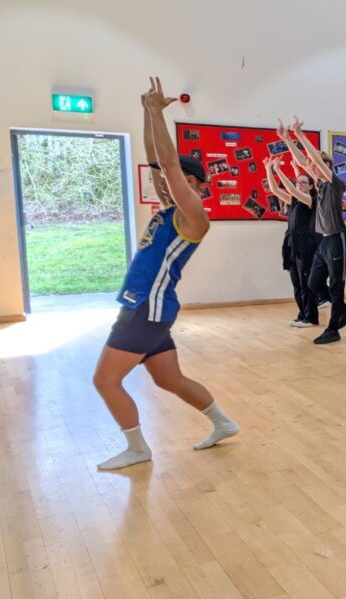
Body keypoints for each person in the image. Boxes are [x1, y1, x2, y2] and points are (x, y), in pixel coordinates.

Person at [94, 77, 239, 470]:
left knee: (105, 381)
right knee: (169, 379)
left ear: (194, 189)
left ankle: (137, 448)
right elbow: (158, 161)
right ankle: (223, 423)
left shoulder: (194, 218)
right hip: (150, 308)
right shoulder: (166, 212)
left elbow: (169, 164)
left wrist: (159, 112)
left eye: (181, 182)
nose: (165, 181)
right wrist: (147, 111)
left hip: (147, 309)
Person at [280, 117, 346, 344]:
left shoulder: (334, 184)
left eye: (316, 167)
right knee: (314, 283)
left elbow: (314, 160)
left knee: (336, 286)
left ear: (326, 168)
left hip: (338, 240)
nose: (310, 168)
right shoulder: (320, 188)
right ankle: (342, 308)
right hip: (324, 243)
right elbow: (304, 161)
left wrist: (301, 135)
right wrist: (287, 138)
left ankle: (333, 328)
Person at [265, 156, 319, 328]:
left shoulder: (311, 201)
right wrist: (268, 168)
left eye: (304, 182)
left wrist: (278, 169)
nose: (300, 184)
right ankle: (302, 314)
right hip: (292, 245)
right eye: (298, 182)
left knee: (306, 283)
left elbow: (291, 190)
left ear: (311, 186)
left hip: (306, 246)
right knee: (296, 283)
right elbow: (274, 189)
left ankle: (311, 317)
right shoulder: (294, 201)